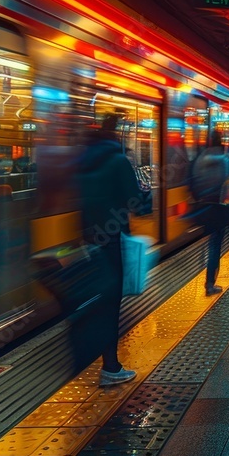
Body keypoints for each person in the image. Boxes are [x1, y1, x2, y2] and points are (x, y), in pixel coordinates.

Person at [76, 114, 140, 386]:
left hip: (87, 240)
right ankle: (110, 367)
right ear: (115, 137)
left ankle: (90, 357)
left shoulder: (82, 161)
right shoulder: (118, 161)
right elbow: (135, 201)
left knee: (95, 299)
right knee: (111, 302)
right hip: (111, 238)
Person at [187, 130, 229, 296]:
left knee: (210, 244)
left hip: (202, 205)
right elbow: (226, 180)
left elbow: (191, 181)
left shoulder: (199, 158)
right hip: (217, 206)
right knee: (215, 245)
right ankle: (210, 283)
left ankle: (208, 281)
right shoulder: (224, 159)